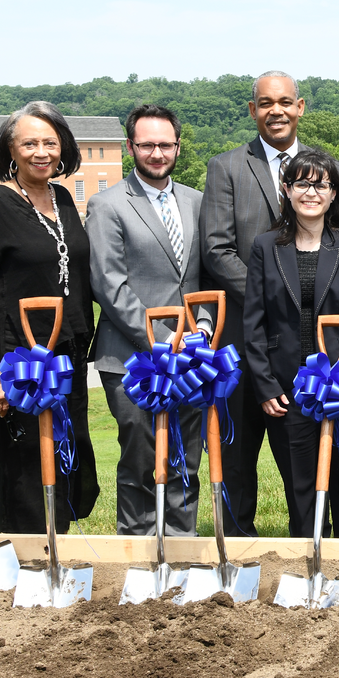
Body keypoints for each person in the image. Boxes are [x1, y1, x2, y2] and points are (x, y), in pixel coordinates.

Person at [0, 101, 100, 533]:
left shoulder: (62, 199)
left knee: (67, 468)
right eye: (30, 143)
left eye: (50, 142)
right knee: (24, 479)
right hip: (16, 365)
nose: (42, 152)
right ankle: (31, 573)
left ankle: (58, 558)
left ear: (64, 148)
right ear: (10, 151)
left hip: (65, 359)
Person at [87, 103, 212, 536]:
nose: (157, 153)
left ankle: (182, 548)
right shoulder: (107, 206)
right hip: (132, 360)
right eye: (147, 145)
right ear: (130, 146)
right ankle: (139, 557)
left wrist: (203, 331)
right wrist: (164, 342)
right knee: (141, 460)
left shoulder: (198, 201)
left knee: (185, 459)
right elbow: (109, 285)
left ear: (178, 146)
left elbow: (207, 277)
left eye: (165, 144)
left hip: (192, 359)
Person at [199, 70, 313, 535]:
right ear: (253, 111)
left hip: (305, 349)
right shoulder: (226, 168)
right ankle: (237, 565)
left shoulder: (325, 168)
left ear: (300, 107)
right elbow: (217, 251)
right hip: (243, 346)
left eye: (285, 102)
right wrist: (278, 297)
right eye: (266, 103)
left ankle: (309, 554)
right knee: (238, 463)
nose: (276, 111)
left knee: (303, 467)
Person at [243, 147, 339, 539]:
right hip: (288, 389)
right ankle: (307, 556)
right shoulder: (266, 247)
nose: (311, 192)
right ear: (286, 190)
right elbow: (253, 322)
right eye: (302, 183)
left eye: (321, 184)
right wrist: (265, 385)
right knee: (300, 485)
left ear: (334, 194)